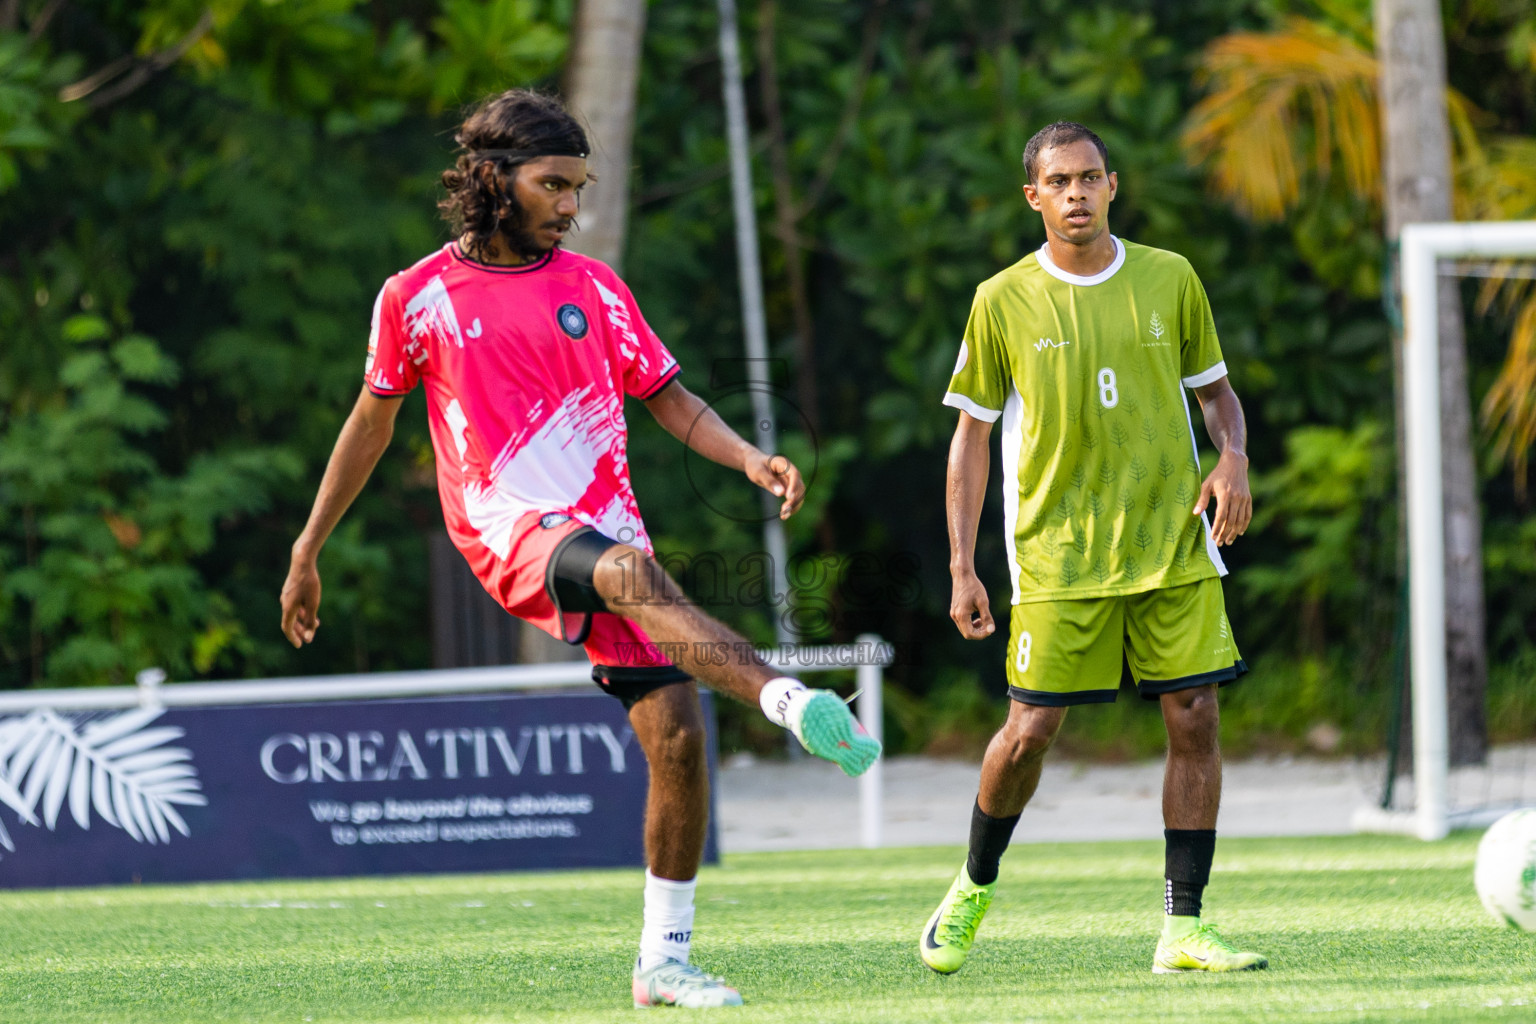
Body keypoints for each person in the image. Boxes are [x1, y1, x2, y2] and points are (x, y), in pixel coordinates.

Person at [278, 89, 880, 1009]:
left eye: (579, 186)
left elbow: (670, 397)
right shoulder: (417, 297)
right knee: (630, 575)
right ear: (492, 180)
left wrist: (750, 457)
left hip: (606, 530)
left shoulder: (596, 288)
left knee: (677, 738)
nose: (569, 204)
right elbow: (369, 426)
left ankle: (663, 962)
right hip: (505, 524)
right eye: (553, 184)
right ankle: (789, 699)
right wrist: (307, 548)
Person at [919, 121, 1266, 976]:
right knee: (1030, 730)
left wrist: (1233, 457)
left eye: (1089, 178)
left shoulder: (1171, 277)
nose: (1076, 194)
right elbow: (970, 437)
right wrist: (963, 565)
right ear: (1033, 197)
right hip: (1058, 556)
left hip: (1171, 543)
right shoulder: (1002, 298)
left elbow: (1217, 396)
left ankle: (1183, 927)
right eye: (1058, 182)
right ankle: (971, 884)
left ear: (1114, 185)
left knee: (1196, 716)